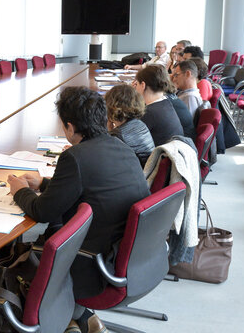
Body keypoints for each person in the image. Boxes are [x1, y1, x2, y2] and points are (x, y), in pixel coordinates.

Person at [8, 87, 149, 333]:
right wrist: (42, 183)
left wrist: (19, 190)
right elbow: (90, 184)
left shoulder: (75, 157)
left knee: (18, 262)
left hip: (94, 264)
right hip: (129, 256)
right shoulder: (120, 146)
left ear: (70, 127)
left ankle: (75, 317)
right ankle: (81, 319)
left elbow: (43, 212)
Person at [133, 65, 184, 146]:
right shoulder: (166, 102)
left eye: (137, 84)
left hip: (157, 156)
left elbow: (131, 140)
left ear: (143, 85)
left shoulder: (149, 112)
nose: (135, 88)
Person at [104, 84, 155, 165]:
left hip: (139, 174)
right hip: (146, 171)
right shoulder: (140, 124)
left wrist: (108, 132)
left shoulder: (118, 135)